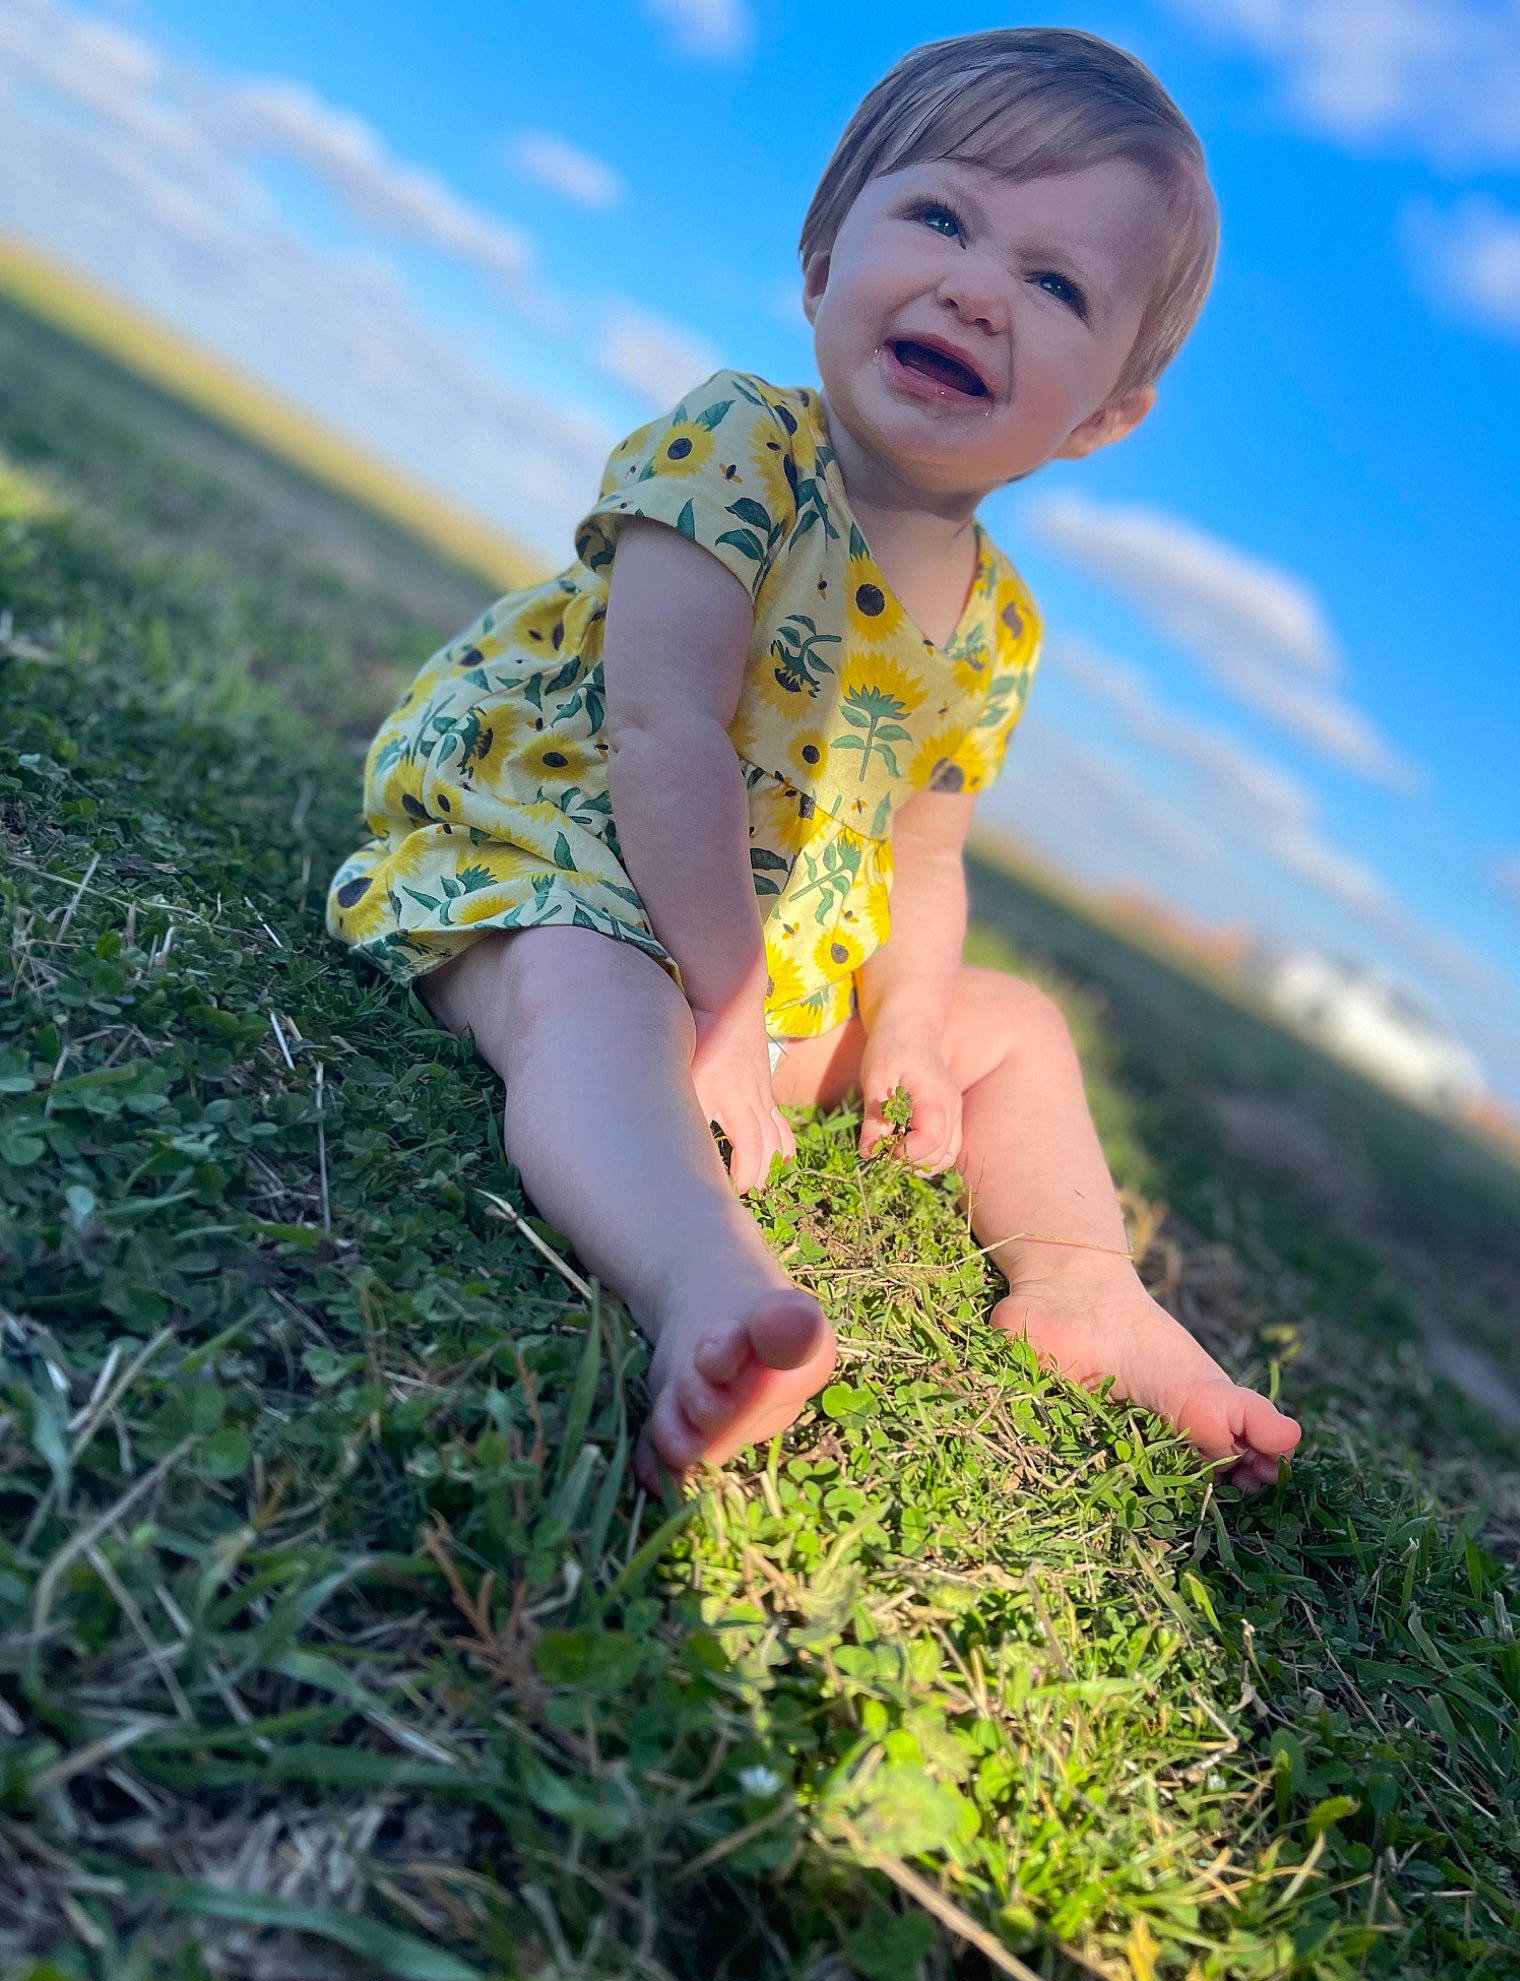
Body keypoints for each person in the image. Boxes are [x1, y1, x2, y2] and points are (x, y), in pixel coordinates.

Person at [327, 28, 1302, 1492]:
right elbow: (662, 737)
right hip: (565, 858)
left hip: (770, 948)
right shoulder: (743, 450)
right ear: (824, 256)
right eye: (941, 217)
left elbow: (923, 852)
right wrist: (725, 1007)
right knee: (589, 994)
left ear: (1103, 416)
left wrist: (905, 1024)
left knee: (1015, 1028)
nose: (979, 286)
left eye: (1054, 284)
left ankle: (1088, 1283)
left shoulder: (1000, 623)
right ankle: (699, 1280)